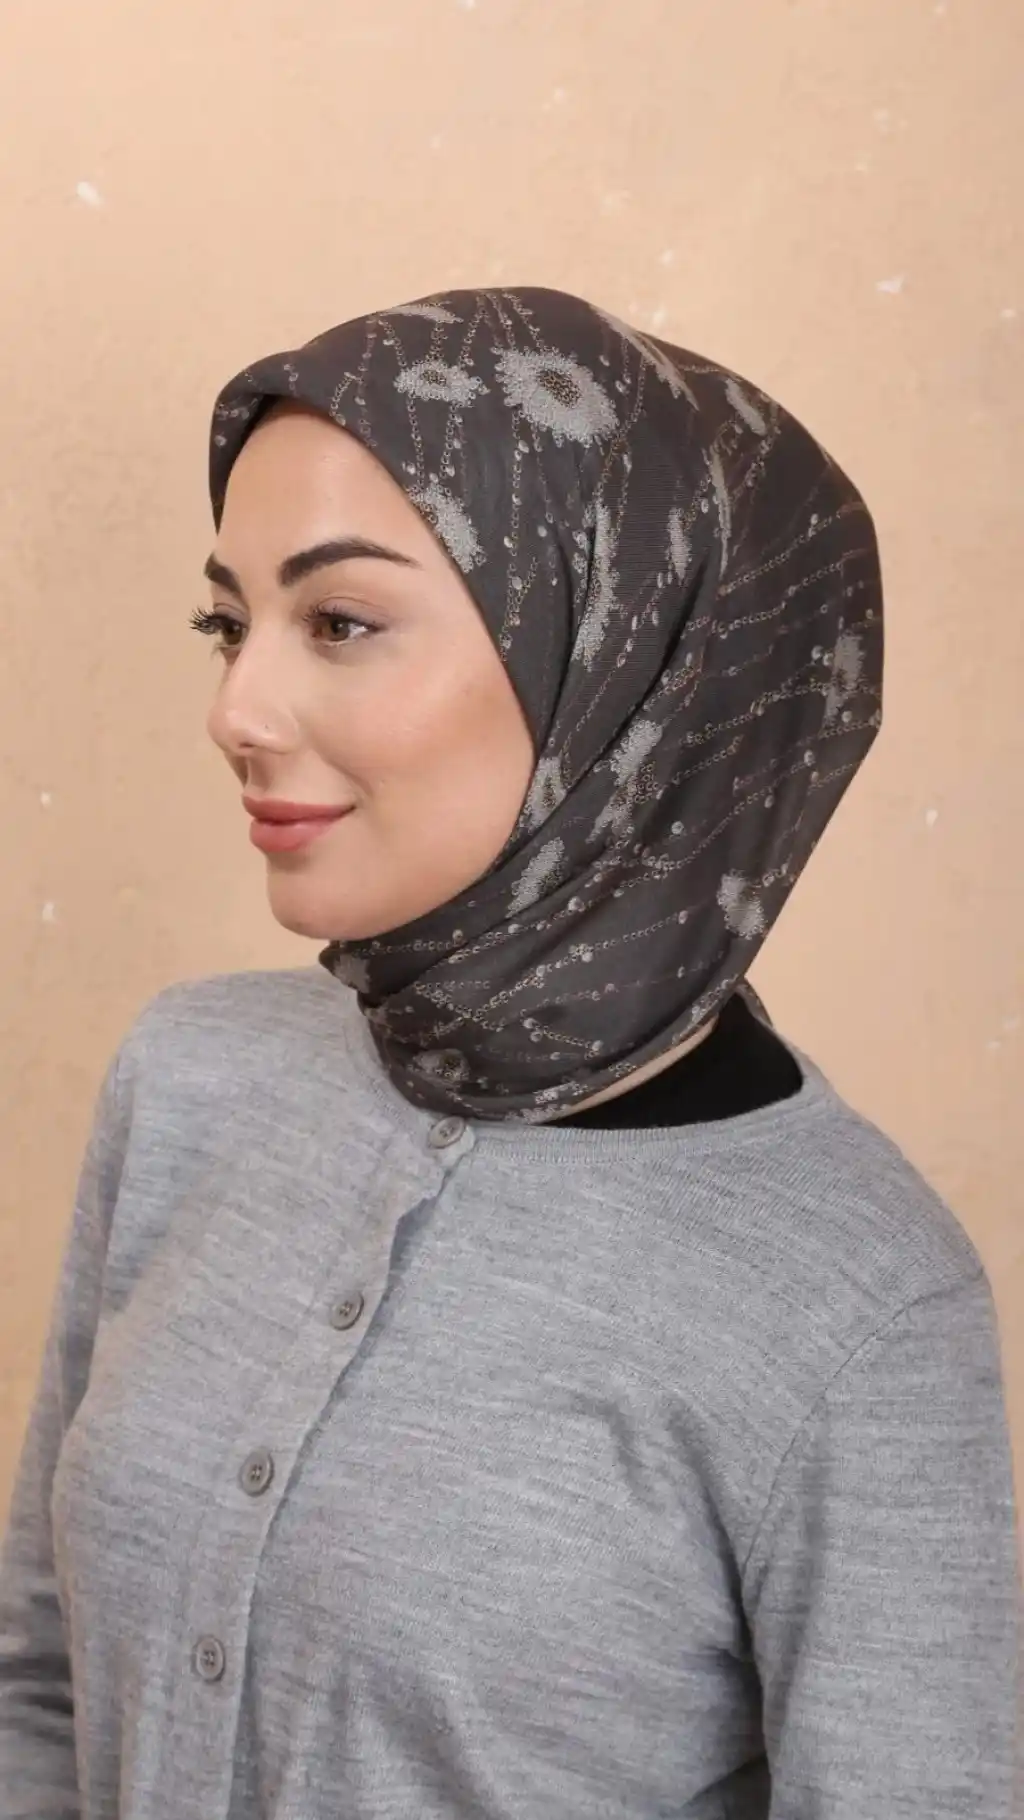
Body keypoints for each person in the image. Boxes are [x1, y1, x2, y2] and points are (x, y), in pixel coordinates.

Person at [0, 286, 1018, 1819]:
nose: (235, 707)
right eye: (228, 622)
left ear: (621, 660)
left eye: (340, 623)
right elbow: (38, 1683)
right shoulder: (191, 1077)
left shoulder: (857, 1299)